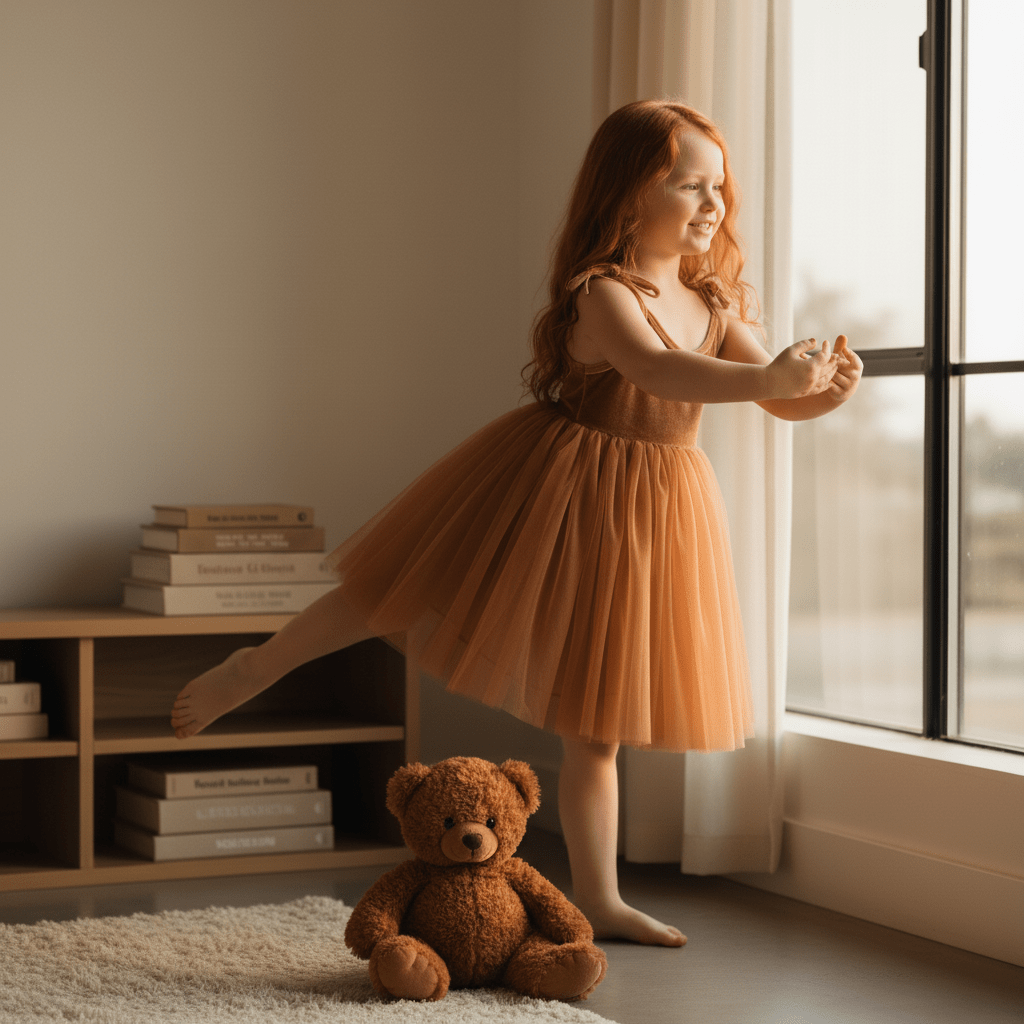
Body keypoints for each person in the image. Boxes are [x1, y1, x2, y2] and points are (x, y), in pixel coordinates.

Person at [171, 100, 862, 947]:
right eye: (690, 185)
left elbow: (769, 395)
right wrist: (768, 383)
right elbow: (658, 370)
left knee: (599, 727)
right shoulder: (605, 293)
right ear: (627, 196)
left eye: (719, 187)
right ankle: (258, 665)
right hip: (558, 485)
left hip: (653, 511)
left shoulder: (712, 299)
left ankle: (601, 899)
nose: (714, 204)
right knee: (397, 589)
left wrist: (817, 393)